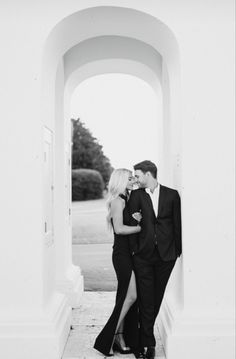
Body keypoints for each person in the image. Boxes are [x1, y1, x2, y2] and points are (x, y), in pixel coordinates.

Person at [128, 160, 182, 359]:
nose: (136, 179)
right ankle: (147, 343)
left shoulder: (172, 195)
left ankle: (145, 336)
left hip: (166, 256)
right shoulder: (136, 195)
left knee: (156, 298)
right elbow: (130, 221)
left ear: (148, 174)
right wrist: (135, 250)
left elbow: (177, 223)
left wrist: (177, 250)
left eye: (138, 175)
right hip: (143, 255)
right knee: (146, 298)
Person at [94, 168, 144, 358]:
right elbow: (120, 229)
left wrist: (136, 218)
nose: (133, 180)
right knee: (130, 297)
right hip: (121, 256)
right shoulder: (118, 201)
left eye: (134, 177)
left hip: (129, 255)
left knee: (124, 298)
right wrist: (140, 227)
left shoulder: (127, 200)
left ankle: (120, 339)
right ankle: (105, 340)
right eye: (130, 178)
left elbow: (127, 222)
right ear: (121, 181)